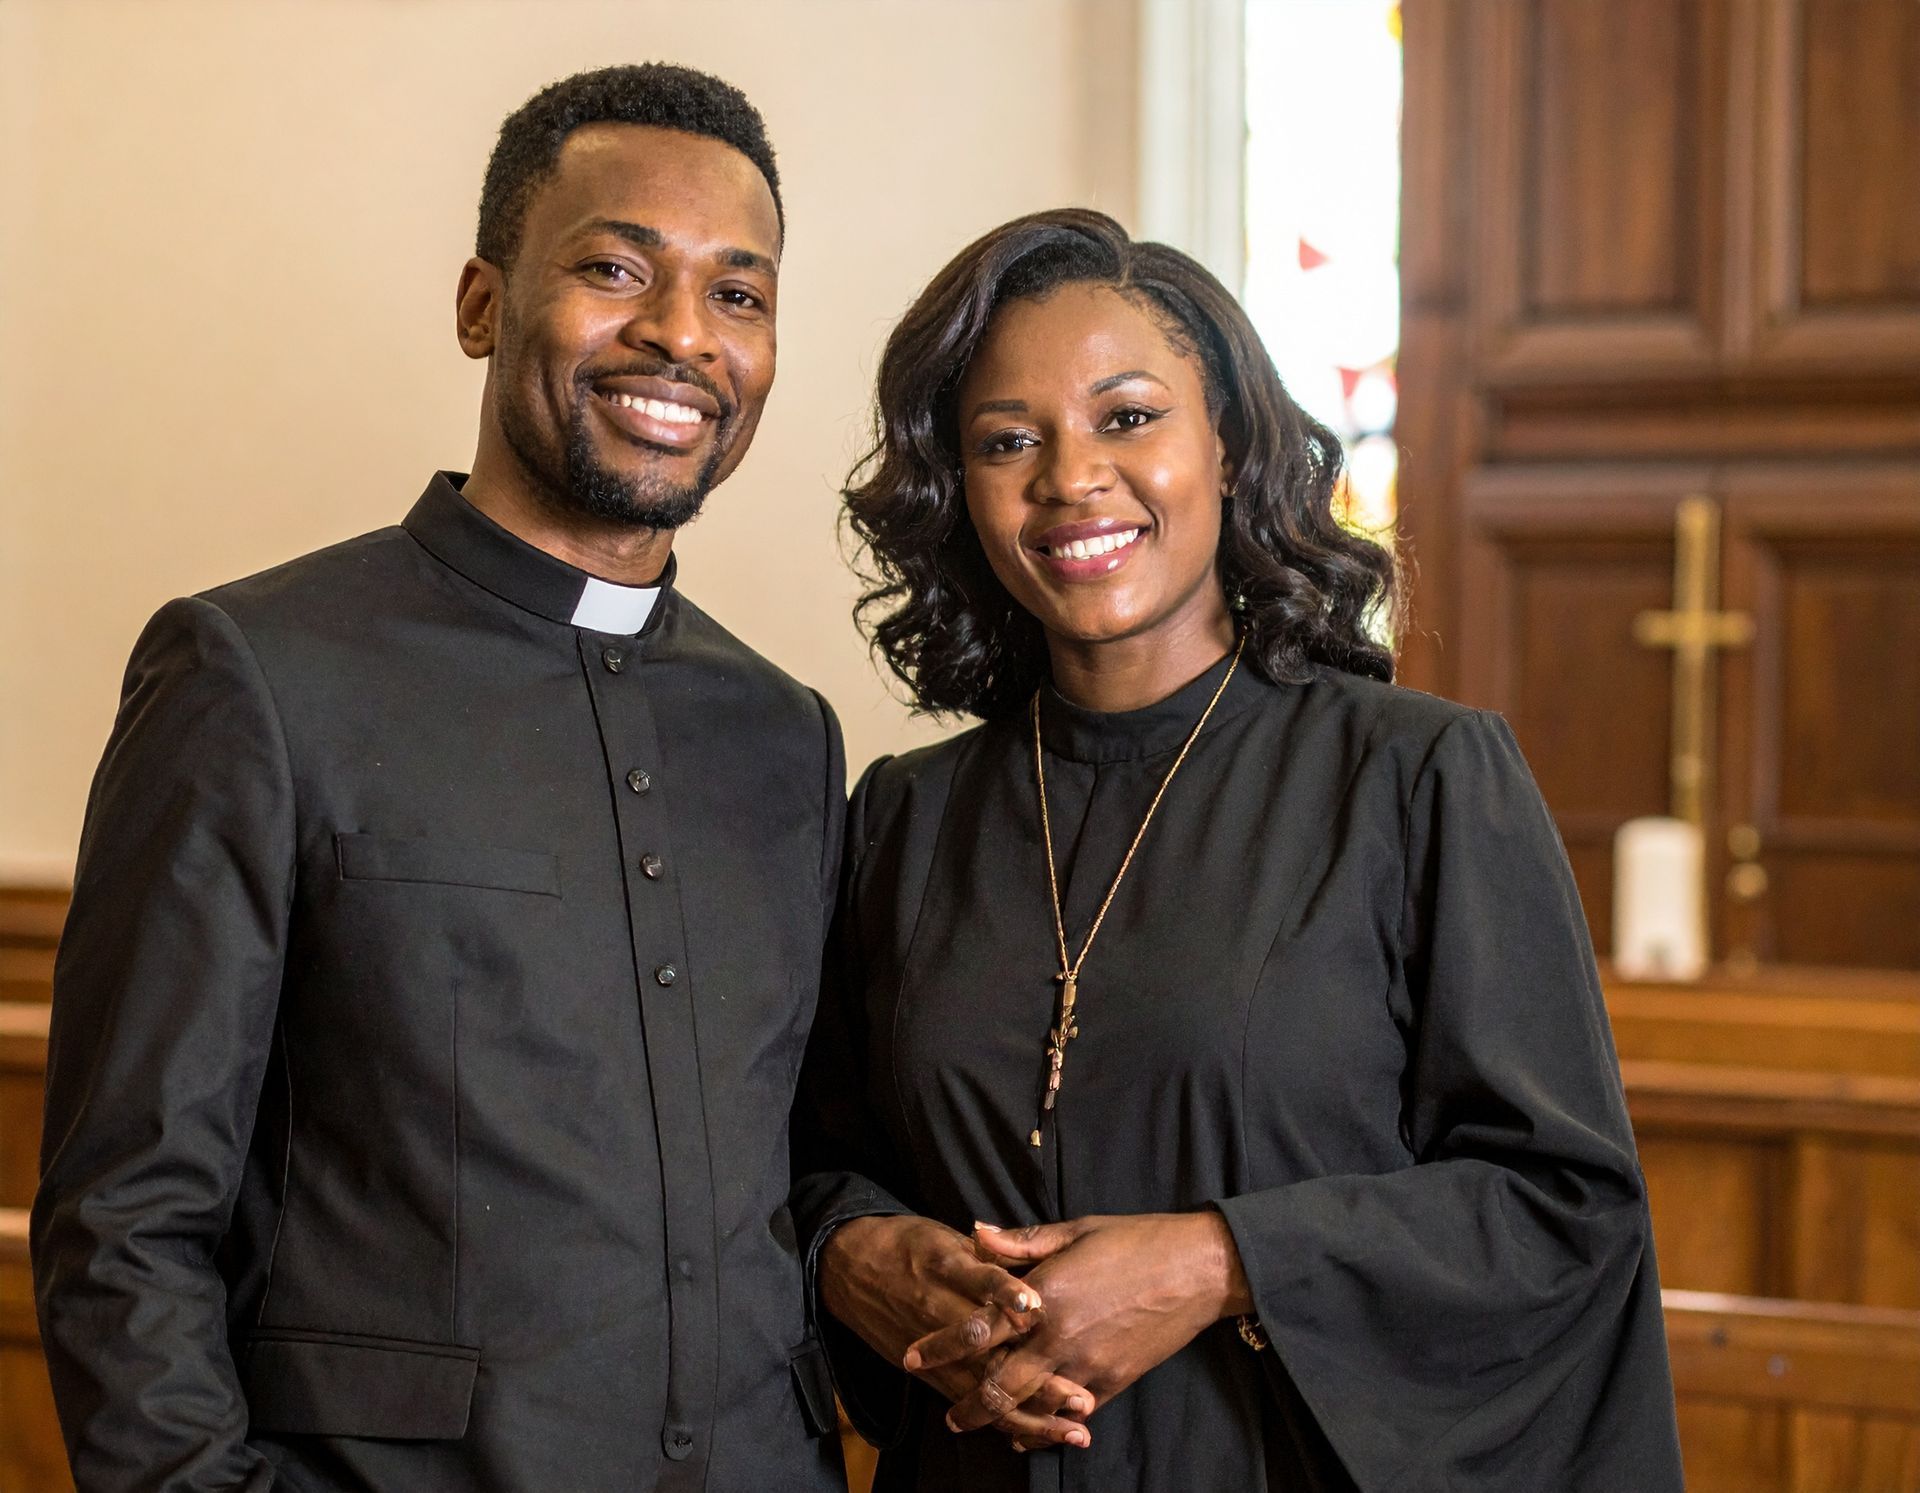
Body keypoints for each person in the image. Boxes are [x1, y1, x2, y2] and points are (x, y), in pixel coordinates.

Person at [34, 64, 854, 1492]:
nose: (679, 335)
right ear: (483, 304)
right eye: (615, 268)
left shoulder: (787, 735)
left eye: (740, 294)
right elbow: (126, 1215)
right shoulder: (255, 673)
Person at [790, 209, 1685, 1491]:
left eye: (1129, 416)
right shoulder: (904, 817)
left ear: (1230, 444)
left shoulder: (1416, 778)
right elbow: (815, 1163)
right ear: (960, 493)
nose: (1070, 477)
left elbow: (1564, 1208)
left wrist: (1220, 1261)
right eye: (1007, 440)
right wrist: (854, 1247)